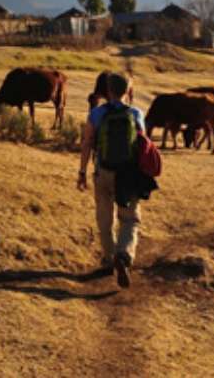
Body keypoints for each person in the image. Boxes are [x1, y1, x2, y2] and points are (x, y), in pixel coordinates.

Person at [77, 71, 147, 288]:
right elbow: (143, 146)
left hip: (103, 172)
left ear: (108, 91)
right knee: (129, 219)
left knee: (104, 218)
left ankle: (109, 258)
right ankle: (124, 255)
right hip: (127, 175)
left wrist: (81, 172)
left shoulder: (97, 114)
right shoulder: (136, 113)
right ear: (128, 91)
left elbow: (87, 142)